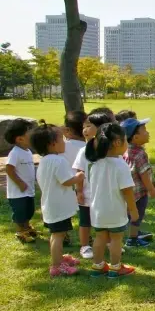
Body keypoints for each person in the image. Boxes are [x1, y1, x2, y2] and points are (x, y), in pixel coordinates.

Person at [31, 121, 84, 277]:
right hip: (58, 206)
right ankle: (56, 266)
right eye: (62, 139)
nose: (65, 142)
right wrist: (78, 177)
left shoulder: (44, 161)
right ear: (52, 144)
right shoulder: (58, 161)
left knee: (58, 234)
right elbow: (66, 181)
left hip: (51, 205)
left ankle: (60, 258)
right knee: (58, 236)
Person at [86, 123, 139, 278]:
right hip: (114, 210)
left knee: (100, 237)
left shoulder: (95, 164)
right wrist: (133, 209)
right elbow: (127, 190)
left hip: (97, 210)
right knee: (116, 238)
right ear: (117, 142)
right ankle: (115, 267)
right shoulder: (121, 165)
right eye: (125, 140)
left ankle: (97, 266)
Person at [72, 112, 112, 259]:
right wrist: (79, 191)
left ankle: (109, 242)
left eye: (89, 126)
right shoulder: (83, 151)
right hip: (88, 194)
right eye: (84, 126)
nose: (85, 130)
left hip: (104, 194)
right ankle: (85, 246)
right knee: (85, 221)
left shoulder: (110, 151)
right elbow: (80, 171)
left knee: (106, 219)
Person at [121, 118, 155, 247]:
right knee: (138, 214)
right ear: (136, 137)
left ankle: (133, 233)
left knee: (130, 213)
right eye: (145, 130)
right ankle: (132, 239)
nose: (148, 133)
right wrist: (151, 189)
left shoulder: (124, 150)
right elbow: (144, 174)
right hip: (139, 192)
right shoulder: (140, 154)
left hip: (127, 190)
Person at [4, 119, 37, 243]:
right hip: (18, 192)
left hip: (28, 190)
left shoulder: (28, 151)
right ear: (20, 139)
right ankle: (20, 231)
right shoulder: (15, 153)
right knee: (20, 212)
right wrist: (19, 183)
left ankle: (27, 227)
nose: (33, 134)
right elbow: (9, 169)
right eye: (29, 132)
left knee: (29, 210)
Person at [61, 110, 87, 248]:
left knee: (64, 212)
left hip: (65, 183)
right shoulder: (88, 146)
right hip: (84, 183)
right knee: (86, 213)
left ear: (68, 130)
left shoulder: (62, 146)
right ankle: (88, 237)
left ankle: (63, 235)